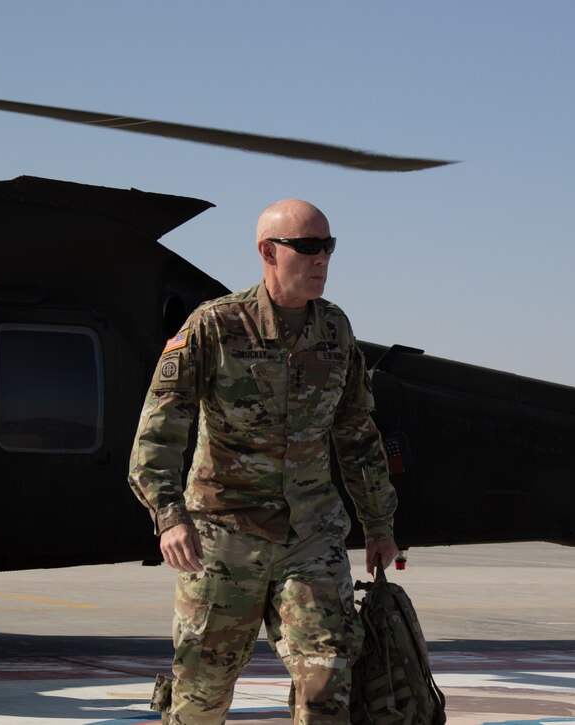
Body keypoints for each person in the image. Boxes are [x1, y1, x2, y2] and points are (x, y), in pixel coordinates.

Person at [129, 199, 399, 725]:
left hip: (311, 536)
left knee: (327, 682)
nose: (322, 258)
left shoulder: (335, 330)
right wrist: (169, 515)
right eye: (308, 247)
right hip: (224, 536)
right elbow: (160, 429)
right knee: (202, 693)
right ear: (268, 252)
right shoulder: (214, 326)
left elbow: (357, 433)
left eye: (328, 246)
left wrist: (379, 523)